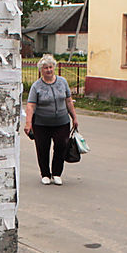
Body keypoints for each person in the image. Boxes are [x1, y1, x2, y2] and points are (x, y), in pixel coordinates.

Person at [23, 54, 78, 186]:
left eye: (50, 67)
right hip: (42, 124)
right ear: (41, 70)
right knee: (43, 148)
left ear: (54, 68)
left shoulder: (62, 82)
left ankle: (57, 173)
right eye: (45, 68)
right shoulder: (36, 86)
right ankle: (45, 174)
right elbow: (30, 105)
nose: (48, 70)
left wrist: (74, 117)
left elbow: (69, 101)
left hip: (62, 122)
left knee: (61, 145)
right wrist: (28, 123)